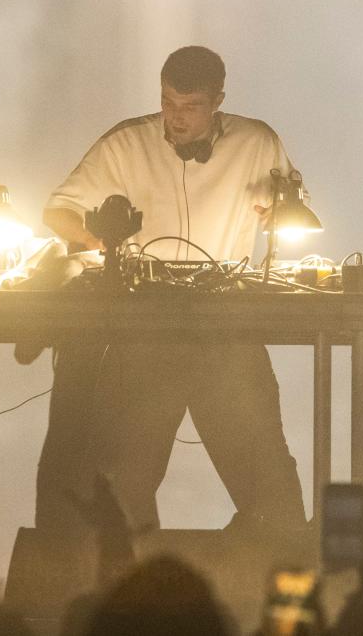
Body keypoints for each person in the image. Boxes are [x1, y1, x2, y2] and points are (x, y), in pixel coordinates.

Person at [39, 46, 308, 536]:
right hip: (146, 331)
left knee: (268, 482)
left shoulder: (258, 141)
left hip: (227, 328)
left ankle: (264, 585)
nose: (176, 119)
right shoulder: (125, 144)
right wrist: (100, 243)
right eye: (167, 103)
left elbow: (291, 202)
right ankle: (131, 590)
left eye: (191, 107)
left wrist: (280, 212)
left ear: (219, 100)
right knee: (121, 482)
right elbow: (57, 212)